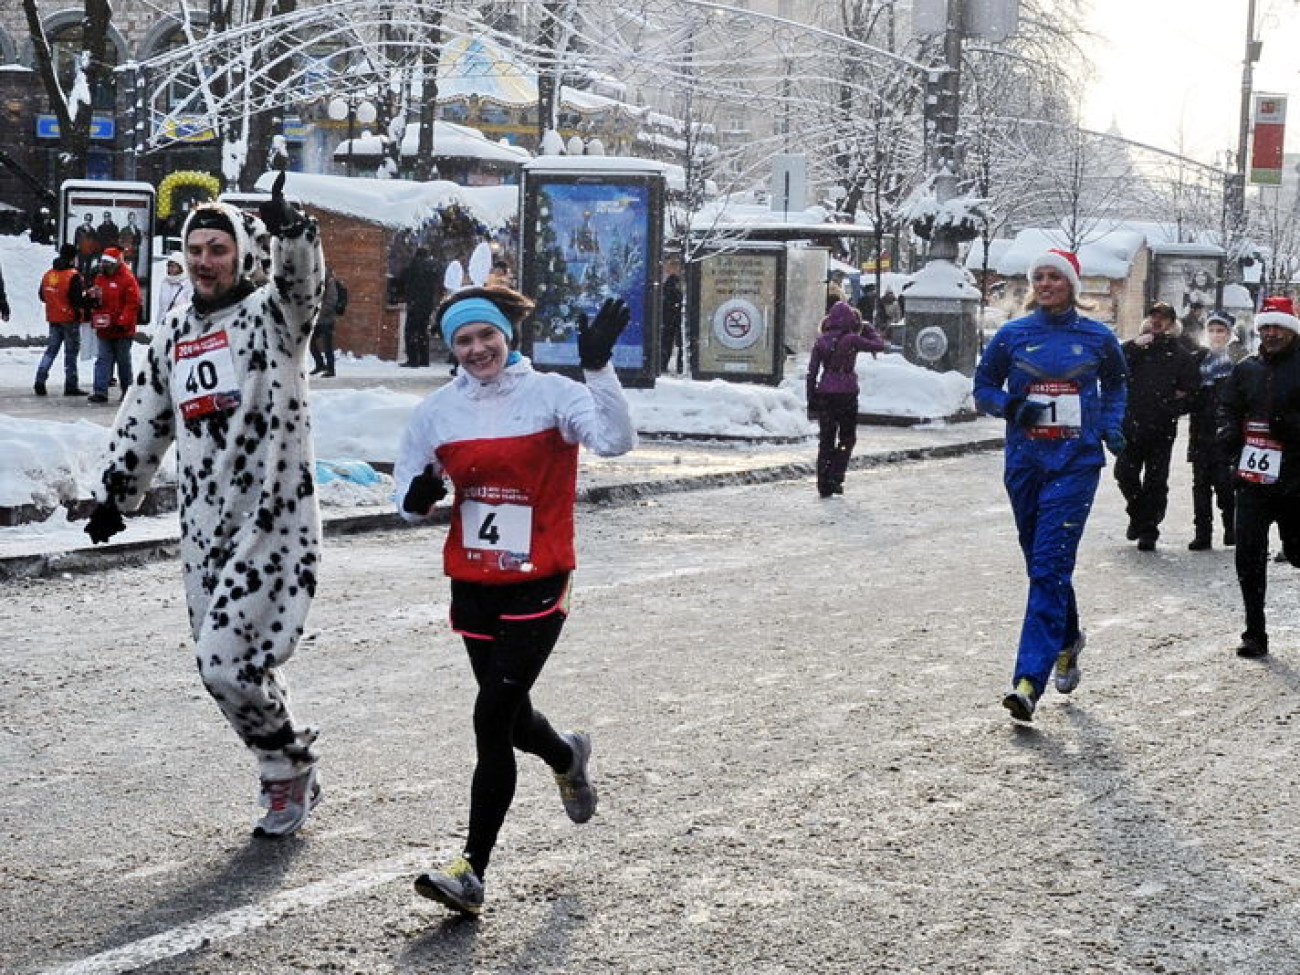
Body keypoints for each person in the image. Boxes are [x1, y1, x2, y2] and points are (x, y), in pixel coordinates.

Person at [82, 173, 327, 837]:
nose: (204, 260)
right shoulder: (175, 332)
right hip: (204, 524)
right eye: (195, 249)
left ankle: (286, 770)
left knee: (223, 660)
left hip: (269, 519)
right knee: (228, 663)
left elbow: (304, 288)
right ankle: (287, 759)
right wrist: (116, 491)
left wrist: (295, 231)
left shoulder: (273, 318)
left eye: (218, 248)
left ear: (243, 254)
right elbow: (146, 413)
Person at [394, 287, 637, 917]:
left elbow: (614, 442)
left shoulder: (552, 395)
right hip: (473, 584)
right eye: (463, 342)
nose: (478, 350)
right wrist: (419, 495)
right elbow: (407, 501)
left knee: (490, 715)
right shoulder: (438, 412)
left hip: (539, 578)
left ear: (507, 335)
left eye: (486, 336)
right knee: (510, 713)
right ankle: (566, 755)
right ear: (452, 349)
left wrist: (598, 367)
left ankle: (471, 870)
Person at [973, 249, 1128, 722]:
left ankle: (1027, 681)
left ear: (1071, 285)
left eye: (1054, 277)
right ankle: (1067, 637)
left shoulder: (1098, 337)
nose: (1045, 284)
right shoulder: (1014, 334)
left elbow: (1117, 385)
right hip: (1025, 462)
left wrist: (1111, 425)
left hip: (1075, 464)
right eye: (1038, 276)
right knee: (1042, 563)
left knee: (1047, 565)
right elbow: (982, 387)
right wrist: (1012, 407)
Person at [1216, 295, 1300, 659]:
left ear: (1291, 329)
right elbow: (1227, 407)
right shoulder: (1246, 369)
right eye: (1265, 326)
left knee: (1297, 550)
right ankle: (1255, 632)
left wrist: (1290, 426)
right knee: (1248, 556)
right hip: (1251, 479)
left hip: (1297, 481)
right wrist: (1228, 436)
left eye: (1278, 326)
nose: (1270, 333)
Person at [1112, 301, 1200, 551]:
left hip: (1162, 427)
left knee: (1156, 480)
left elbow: (1192, 389)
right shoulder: (1135, 347)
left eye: (1163, 317)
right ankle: (1139, 515)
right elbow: (1112, 367)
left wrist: (1172, 407)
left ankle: (1148, 529)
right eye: (1154, 316)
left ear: (1172, 323)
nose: (1157, 321)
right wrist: (1132, 346)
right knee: (1124, 473)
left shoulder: (1180, 352)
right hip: (1131, 424)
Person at [806, 300, 885, 498]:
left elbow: (812, 372)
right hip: (847, 394)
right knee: (847, 438)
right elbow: (879, 345)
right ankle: (836, 475)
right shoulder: (851, 340)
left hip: (825, 393)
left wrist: (811, 398)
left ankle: (823, 483)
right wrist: (869, 329)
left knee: (826, 439)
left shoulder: (821, 341)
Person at [1186, 310, 1245, 551]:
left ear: (1229, 333)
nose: (1215, 335)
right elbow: (1187, 390)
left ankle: (1231, 528)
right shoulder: (1199, 359)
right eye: (1211, 330)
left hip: (1226, 430)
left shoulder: (1238, 358)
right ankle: (1203, 533)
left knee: (1225, 484)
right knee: (1200, 484)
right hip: (1200, 430)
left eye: (1220, 330)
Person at [85, 247, 142, 404]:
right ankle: (100, 391)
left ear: (117, 262)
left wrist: (122, 321)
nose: (105, 265)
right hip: (105, 328)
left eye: (108, 262)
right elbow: (97, 298)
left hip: (122, 330)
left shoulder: (127, 279)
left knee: (123, 361)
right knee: (103, 359)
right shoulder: (100, 278)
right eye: (103, 262)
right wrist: (92, 300)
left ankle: (127, 391)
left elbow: (133, 303)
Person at [34, 243, 86, 396]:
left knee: (51, 350)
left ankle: (40, 379)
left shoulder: (48, 274)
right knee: (70, 354)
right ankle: (71, 385)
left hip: (53, 317)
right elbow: (77, 300)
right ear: (72, 258)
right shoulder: (73, 275)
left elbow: (42, 296)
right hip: (69, 318)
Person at [397, 246, 440, 366]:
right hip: (427, 305)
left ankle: (413, 359)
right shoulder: (433, 268)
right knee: (423, 332)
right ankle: (424, 359)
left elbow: (401, 281)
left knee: (410, 332)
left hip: (414, 303)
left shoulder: (413, 266)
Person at [310, 267, 344, 377]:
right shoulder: (318, 282)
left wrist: (319, 312)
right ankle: (320, 364)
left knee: (327, 345)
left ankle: (331, 370)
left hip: (327, 319)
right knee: (311, 342)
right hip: (319, 319)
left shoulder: (329, 282)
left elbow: (331, 300)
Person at [660, 254, 684, 373]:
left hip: (670, 317)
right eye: (672, 264)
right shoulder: (671, 283)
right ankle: (676, 365)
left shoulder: (670, 284)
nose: (675, 268)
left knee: (669, 342)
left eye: (676, 265)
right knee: (668, 342)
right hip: (670, 317)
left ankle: (676, 365)